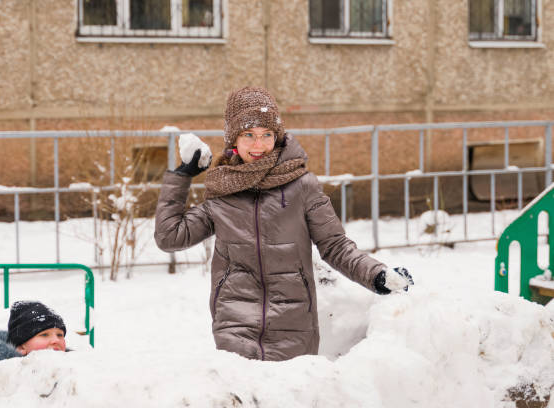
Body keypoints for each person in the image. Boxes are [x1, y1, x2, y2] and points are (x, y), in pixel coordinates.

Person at [155, 86, 413, 361]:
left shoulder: (302, 186)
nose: (259, 145)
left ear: (277, 137)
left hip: (294, 322)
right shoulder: (222, 191)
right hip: (234, 324)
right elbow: (170, 236)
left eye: (267, 135)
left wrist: (377, 275)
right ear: (233, 139)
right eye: (249, 135)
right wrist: (182, 176)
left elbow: (335, 246)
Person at [0, 300, 67, 362]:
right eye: (44, 335)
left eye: (59, 335)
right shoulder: (7, 376)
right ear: (21, 348)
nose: (56, 340)